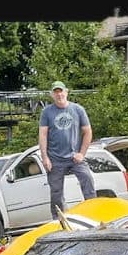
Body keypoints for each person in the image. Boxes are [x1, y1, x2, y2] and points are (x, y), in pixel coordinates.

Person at [39, 80, 95, 220]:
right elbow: (43, 134)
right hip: (55, 158)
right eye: (56, 92)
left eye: (61, 91)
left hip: (74, 157)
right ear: (52, 95)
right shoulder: (47, 112)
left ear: (66, 92)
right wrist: (45, 157)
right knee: (56, 192)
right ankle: (59, 219)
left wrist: (82, 153)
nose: (59, 95)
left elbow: (88, 132)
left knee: (87, 178)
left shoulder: (78, 109)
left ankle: (93, 211)